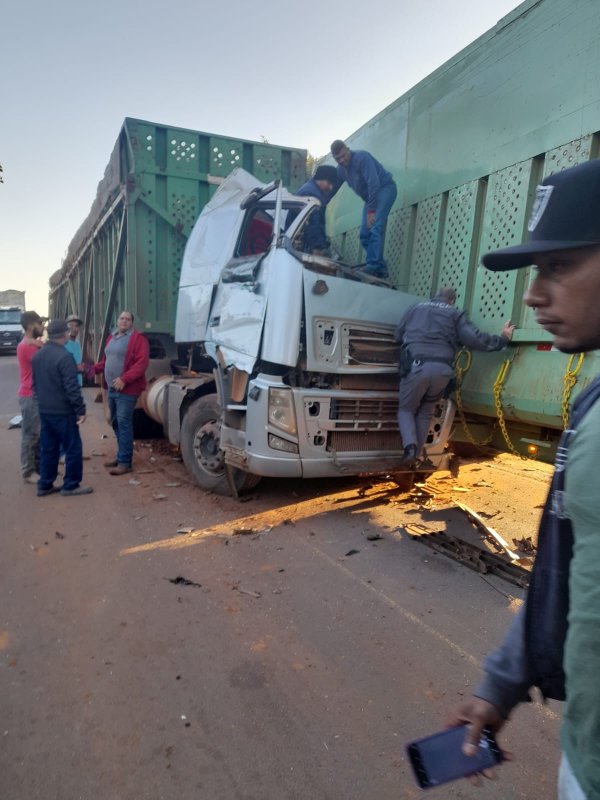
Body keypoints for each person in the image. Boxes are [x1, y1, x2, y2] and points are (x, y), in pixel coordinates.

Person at [448, 158, 600, 800]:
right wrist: (502, 684)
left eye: (558, 266)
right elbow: (571, 568)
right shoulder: (593, 400)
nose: (535, 294)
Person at [395, 287, 514, 467]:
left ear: (434, 297)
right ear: (452, 301)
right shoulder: (455, 313)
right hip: (442, 371)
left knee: (406, 409)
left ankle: (409, 448)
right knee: (426, 410)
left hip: (417, 368)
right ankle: (417, 455)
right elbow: (476, 339)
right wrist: (503, 339)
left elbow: (398, 335)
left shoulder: (415, 308)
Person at [31, 319, 92, 497]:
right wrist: (80, 409)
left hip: (45, 410)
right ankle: (71, 485)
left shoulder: (38, 355)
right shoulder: (65, 357)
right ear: (64, 334)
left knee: (49, 448)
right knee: (73, 447)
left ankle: (45, 484)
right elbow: (71, 388)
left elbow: (35, 385)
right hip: (63, 412)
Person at [330, 139, 398, 279]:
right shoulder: (341, 170)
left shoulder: (362, 158)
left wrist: (371, 211)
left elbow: (373, 183)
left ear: (348, 149)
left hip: (384, 189)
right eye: (338, 159)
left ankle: (373, 266)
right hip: (370, 198)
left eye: (343, 155)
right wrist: (320, 201)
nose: (342, 160)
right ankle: (381, 268)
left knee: (375, 227)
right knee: (364, 234)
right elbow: (332, 189)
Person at [95, 310, 149, 475]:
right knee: (115, 422)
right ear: (117, 321)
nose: (124, 321)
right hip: (112, 387)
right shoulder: (112, 337)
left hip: (127, 389)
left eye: (128, 319)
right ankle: (121, 456)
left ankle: (125, 462)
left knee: (124, 423)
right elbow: (107, 360)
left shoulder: (138, 340)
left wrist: (124, 379)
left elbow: (141, 363)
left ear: (132, 323)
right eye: (122, 318)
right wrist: (92, 369)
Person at [16, 311, 45, 483]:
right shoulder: (27, 346)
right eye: (39, 323)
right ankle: (28, 471)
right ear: (30, 326)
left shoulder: (32, 344)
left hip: (35, 395)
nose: (42, 327)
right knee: (31, 434)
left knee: (38, 434)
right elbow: (44, 361)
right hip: (29, 395)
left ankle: (38, 468)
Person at [295, 165, 339, 255]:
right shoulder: (313, 195)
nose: (330, 188)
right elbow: (313, 223)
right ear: (321, 179)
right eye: (329, 183)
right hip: (304, 245)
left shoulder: (309, 188)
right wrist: (317, 247)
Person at [65, 314, 84, 387]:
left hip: (78, 383)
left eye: (76, 326)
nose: (74, 328)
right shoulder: (63, 344)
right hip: (68, 385)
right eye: (71, 325)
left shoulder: (77, 342)